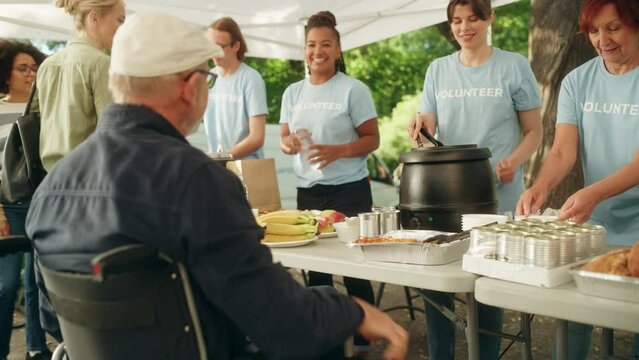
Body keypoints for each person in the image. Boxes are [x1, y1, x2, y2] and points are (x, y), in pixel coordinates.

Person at [25, 11, 409, 360]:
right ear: (190, 86)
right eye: (207, 77)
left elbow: (54, 320)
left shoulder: (51, 187)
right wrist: (353, 309)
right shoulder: (197, 180)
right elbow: (280, 320)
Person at [407, 0, 543, 358]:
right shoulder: (438, 69)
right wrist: (420, 124)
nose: (464, 27)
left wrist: (514, 160)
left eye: (472, 19)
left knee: (485, 286)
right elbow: (429, 122)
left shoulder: (513, 66)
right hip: (444, 195)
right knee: (437, 287)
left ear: (489, 19)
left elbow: (534, 131)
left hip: (496, 196)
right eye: (456, 21)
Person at [517, 0, 639, 358]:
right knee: (574, 317)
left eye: (613, 28)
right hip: (596, 220)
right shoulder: (577, 80)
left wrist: (593, 193)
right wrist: (540, 187)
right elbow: (561, 152)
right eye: (594, 31)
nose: (602, 40)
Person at [279, 10, 379, 358]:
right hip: (308, 191)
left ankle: (365, 336)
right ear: (303, 50)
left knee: (355, 267)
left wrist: (339, 151)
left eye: (325, 44)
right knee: (316, 269)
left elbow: (372, 139)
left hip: (349, 189)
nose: (317, 51)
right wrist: (288, 144)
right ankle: (325, 336)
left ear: (338, 50)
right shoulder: (293, 92)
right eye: (311, 44)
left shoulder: (354, 89)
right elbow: (284, 139)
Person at [0, 39, 50, 360]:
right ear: (6, 74)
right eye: (23, 69)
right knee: (5, 286)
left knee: (36, 281)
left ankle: (35, 348)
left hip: (41, 202)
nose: (30, 74)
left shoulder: (43, 109)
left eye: (34, 68)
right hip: (8, 207)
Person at [37, 0, 126, 172]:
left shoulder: (47, 65)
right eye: (120, 20)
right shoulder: (102, 63)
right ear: (94, 18)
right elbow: (112, 131)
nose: (122, 29)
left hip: (50, 177)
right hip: (87, 175)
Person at [203, 17, 267, 159]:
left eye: (220, 47)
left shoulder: (251, 79)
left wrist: (222, 157)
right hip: (218, 166)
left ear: (236, 46)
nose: (214, 52)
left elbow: (257, 138)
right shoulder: (208, 76)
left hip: (246, 170)